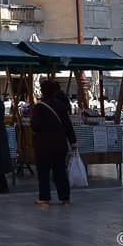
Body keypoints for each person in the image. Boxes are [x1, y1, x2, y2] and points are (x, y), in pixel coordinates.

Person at [31, 78, 77, 206]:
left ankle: (44, 197)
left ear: (43, 91)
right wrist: (73, 141)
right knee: (60, 171)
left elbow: (35, 126)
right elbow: (68, 125)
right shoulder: (61, 106)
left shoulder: (39, 107)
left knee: (44, 172)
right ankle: (65, 197)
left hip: (43, 145)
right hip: (59, 144)